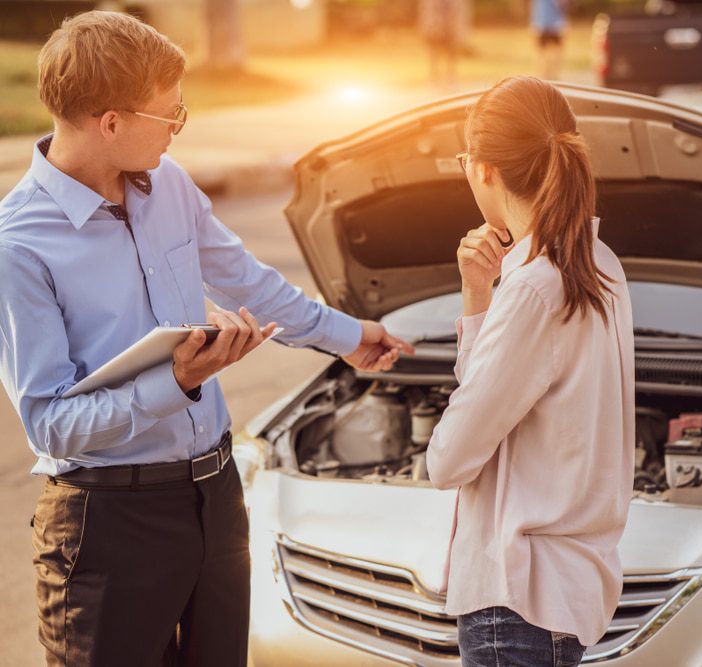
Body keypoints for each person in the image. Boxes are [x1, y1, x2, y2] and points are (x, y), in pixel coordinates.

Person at [0, 10, 413, 666]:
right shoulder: (20, 245)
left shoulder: (170, 186)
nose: (178, 126)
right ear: (111, 122)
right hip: (108, 526)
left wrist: (348, 336)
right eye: (171, 115)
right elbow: (50, 425)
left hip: (215, 502)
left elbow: (250, 283)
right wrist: (178, 381)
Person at [426, 76, 635, 667]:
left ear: (485, 170)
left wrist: (489, 303)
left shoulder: (536, 288)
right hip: (566, 595)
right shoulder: (602, 267)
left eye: (465, 160)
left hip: (513, 603)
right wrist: (478, 296)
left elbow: (448, 459)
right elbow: (501, 396)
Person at [419, 0, 463, 87]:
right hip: (435, 25)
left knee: (450, 50)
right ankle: (434, 76)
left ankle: (450, 76)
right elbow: (425, 11)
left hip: (449, 26)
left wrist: (455, 27)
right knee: (434, 51)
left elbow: (457, 12)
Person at [532, 0, 569, 80]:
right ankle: (543, 77)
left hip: (555, 26)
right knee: (542, 55)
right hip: (541, 25)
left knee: (556, 54)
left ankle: (554, 77)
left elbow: (564, 4)